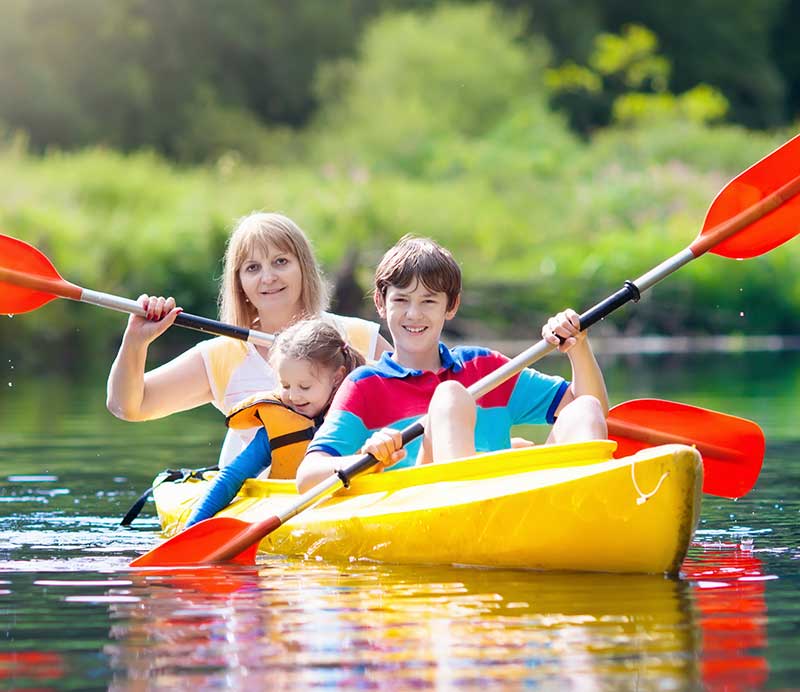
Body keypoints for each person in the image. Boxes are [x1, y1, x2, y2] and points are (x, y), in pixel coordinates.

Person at [296, 234, 608, 492]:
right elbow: (307, 475)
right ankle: (468, 503)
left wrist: (577, 346)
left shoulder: (485, 367)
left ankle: (587, 511)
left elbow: (594, 411)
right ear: (381, 303)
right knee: (450, 397)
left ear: (451, 306)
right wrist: (366, 457)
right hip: (431, 508)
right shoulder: (364, 385)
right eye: (401, 300)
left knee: (585, 409)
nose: (414, 315)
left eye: (428, 301)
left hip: (508, 505)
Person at [106, 212, 391, 465]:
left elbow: (423, 389)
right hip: (258, 500)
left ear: (303, 268)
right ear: (239, 283)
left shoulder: (356, 337)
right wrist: (135, 342)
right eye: (252, 268)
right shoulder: (221, 356)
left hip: (349, 486)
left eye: (280, 262)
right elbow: (128, 406)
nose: (268, 277)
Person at [185, 319, 365, 526]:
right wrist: (192, 526)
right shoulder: (276, 427)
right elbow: (232, 476)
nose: (294, 396)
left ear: (337, 377)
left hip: (356, 504)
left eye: (305, 386)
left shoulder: (360, 414)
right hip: (293, 512)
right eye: (285, 385)